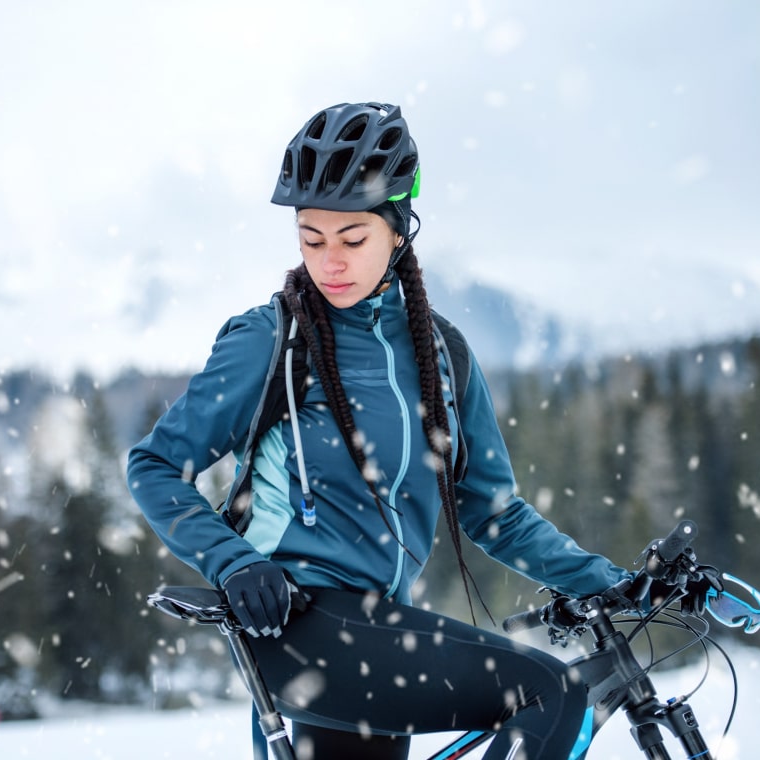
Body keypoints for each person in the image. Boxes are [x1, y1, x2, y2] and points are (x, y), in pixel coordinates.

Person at [127, 102, 632, 760]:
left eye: (352, 238)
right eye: (311, 239)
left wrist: (605, 580)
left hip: (380, 630)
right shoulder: (273, 341)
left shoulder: (439, 354)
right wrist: (235, 561)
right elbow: (154, 466)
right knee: (552, 694)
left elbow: (492, 510)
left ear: (398, 230)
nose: (329, 261)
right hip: (300, 622)